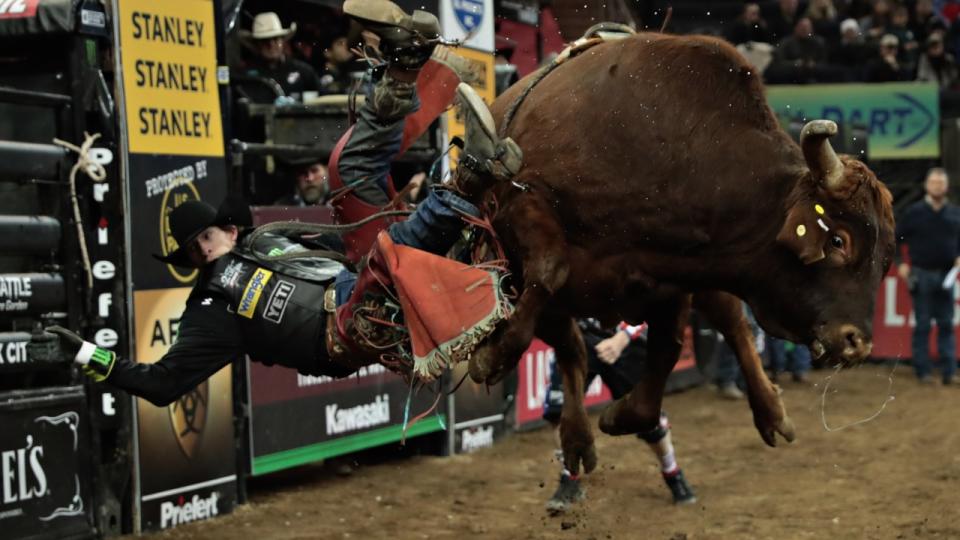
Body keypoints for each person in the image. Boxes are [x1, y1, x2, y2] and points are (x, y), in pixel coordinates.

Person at [37, 1, 523, 403]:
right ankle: (469, 180)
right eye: (193, 250)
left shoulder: (268, 239)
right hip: (346, 332)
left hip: (357, 280)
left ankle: (400, 74)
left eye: (205, 238)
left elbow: (337, 243)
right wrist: (87, 355)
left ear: (228, 231)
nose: (202, 250)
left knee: (346, 171)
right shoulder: (209, 310)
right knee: (382, 260)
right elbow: (161, 384)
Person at [541, 320, 696, 513]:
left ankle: (672, 472)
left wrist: (622, 338)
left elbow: (651, 300)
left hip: (625, 342)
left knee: (646, 420)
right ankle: (570, 479)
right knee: (560, 413)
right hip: (576, 340)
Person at [896, 168, 960, 385]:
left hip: (947, 277)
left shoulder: (955, 214)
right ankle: (923, 372)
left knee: (946, 325)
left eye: (941, 183)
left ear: (946, 186)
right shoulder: (914, 212)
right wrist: (901, 264)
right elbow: (895, 239)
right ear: (926, 186)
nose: (937, 186)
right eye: (933, 182)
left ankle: (948, 372)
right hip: (921, 274)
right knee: (922, 325)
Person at [238, 12, 323, 102]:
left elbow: (322, 100)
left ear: (283, 41)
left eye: (275, 39)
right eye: (265, 40)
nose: (271, 45)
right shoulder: (247, 76)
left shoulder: (304, 72)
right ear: (256, 45)